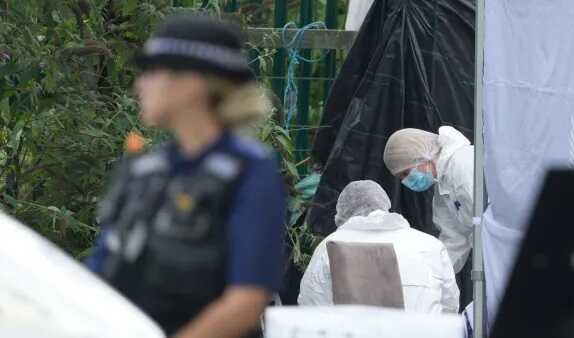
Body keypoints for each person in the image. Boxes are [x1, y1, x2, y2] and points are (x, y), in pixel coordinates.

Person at [85, 15, 286, 338]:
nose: (140, 85)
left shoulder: (249, 172)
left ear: (191, 82)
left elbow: (248, 299)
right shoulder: (145, 171)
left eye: (151, 72)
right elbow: (100, 275)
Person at [298, 180, 459, 314]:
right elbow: (449, 305)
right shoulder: (430, 244)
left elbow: (312, 306)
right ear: (385, 206)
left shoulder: (330, 246)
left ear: (343, 213)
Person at [383, 126, 474, 274]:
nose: (407, 181)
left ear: (424, 155)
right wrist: (428, 276)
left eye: (406, 172)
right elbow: (454, 240)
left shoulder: (463, 163)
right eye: (401, 178)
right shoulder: (443, 188)